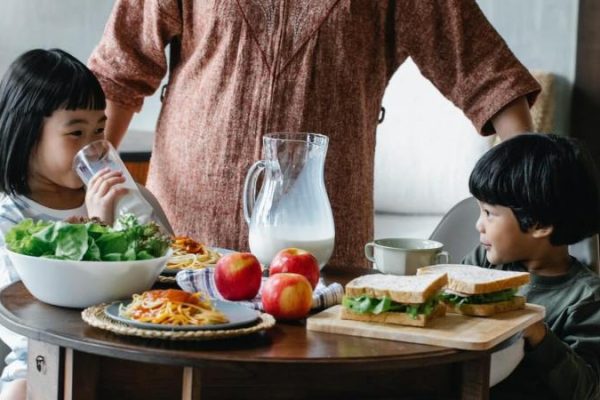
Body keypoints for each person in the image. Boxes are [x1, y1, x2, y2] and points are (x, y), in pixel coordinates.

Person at [89, 0, 541, 268]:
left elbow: (486, 73)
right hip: (181, 240)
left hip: (324, 253)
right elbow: (118, 70)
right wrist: (87, 195)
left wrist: (532, 196)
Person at [0, 48, 138, 400]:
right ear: (29, 134)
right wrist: (96, 227)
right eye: (76, 133)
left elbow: (156, 265)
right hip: (41, 354)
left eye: (99, 130)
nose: (92, 146)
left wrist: (137, 206)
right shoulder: (11, 217)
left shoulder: (110, 198)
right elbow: (28, 315)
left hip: (123, 347)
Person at [463, 134, 600, 400]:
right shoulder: (484, 263)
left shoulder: (586, 300)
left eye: (489, 213)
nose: (478, 225)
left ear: (539, 224)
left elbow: (586, 390)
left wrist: (536, 331)